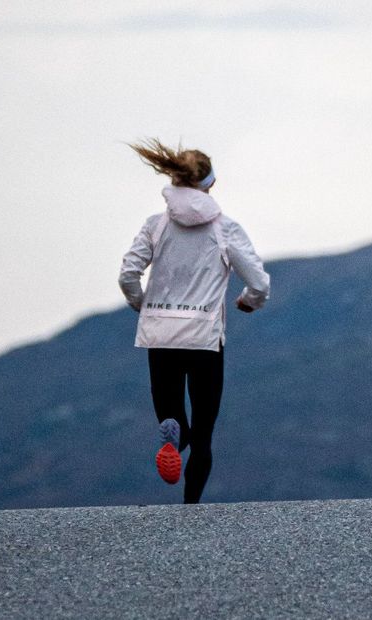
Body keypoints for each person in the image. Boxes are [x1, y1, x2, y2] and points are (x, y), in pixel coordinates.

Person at [118, 138, 270, 504]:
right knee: (204, 435)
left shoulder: (155, 225)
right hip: (204, 338)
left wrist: (144, 306)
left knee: (172, 414)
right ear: (210, 184)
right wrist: (249, 302)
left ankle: (173, 434)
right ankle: (191, 509)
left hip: (161, 336)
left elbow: (128, 274)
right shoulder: (225, 229)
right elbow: (259, 283)